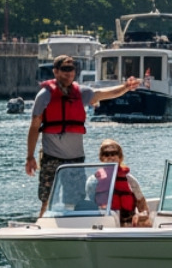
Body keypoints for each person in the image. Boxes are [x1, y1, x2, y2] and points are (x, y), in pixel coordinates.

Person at [24, 54, 142, 215]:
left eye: (72, 69)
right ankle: (42, 224)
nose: (69, 73)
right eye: (65, 69)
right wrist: (30, 157)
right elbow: (34, 127)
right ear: (55, 71)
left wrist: (126, 87)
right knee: (47, 199)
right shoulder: (45, 95)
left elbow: (104, 93)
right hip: (51, 157)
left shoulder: (81, 93)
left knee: (74, 202)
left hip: (75, 159)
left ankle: (71, 226)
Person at [93, 139, 150, 227]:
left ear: (120, 157)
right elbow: (90, 204)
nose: (110, 157)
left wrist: (142, 217)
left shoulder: (130, 180)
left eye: (114, 153)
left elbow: (142, 206)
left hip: (127, 225)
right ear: (101, 158)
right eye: (106, 154)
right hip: (105, 224)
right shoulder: (94, 180)